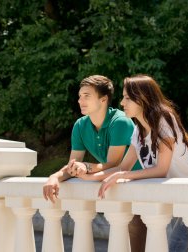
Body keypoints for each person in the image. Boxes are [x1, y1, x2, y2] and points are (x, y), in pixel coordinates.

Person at [79, 74, 188, 251]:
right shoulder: (138, 130)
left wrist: (124, 175)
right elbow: (122, 167)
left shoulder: (163, 119)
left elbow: (161, 169)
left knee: (177, 247)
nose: (122, 103)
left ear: (143, 99)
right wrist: (90, 177)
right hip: (182, 197)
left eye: (127, 98)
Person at [42, 75, 144, 251]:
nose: (80, 100)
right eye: (80, 96)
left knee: (135, 229)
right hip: (115, 181)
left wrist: (86, 168)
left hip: (141, 179)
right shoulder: (80, 126)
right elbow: (73, 165)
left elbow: (114, 163)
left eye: (87, 95)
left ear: (103, 99)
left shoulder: (120, 122)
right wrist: (55, 177)